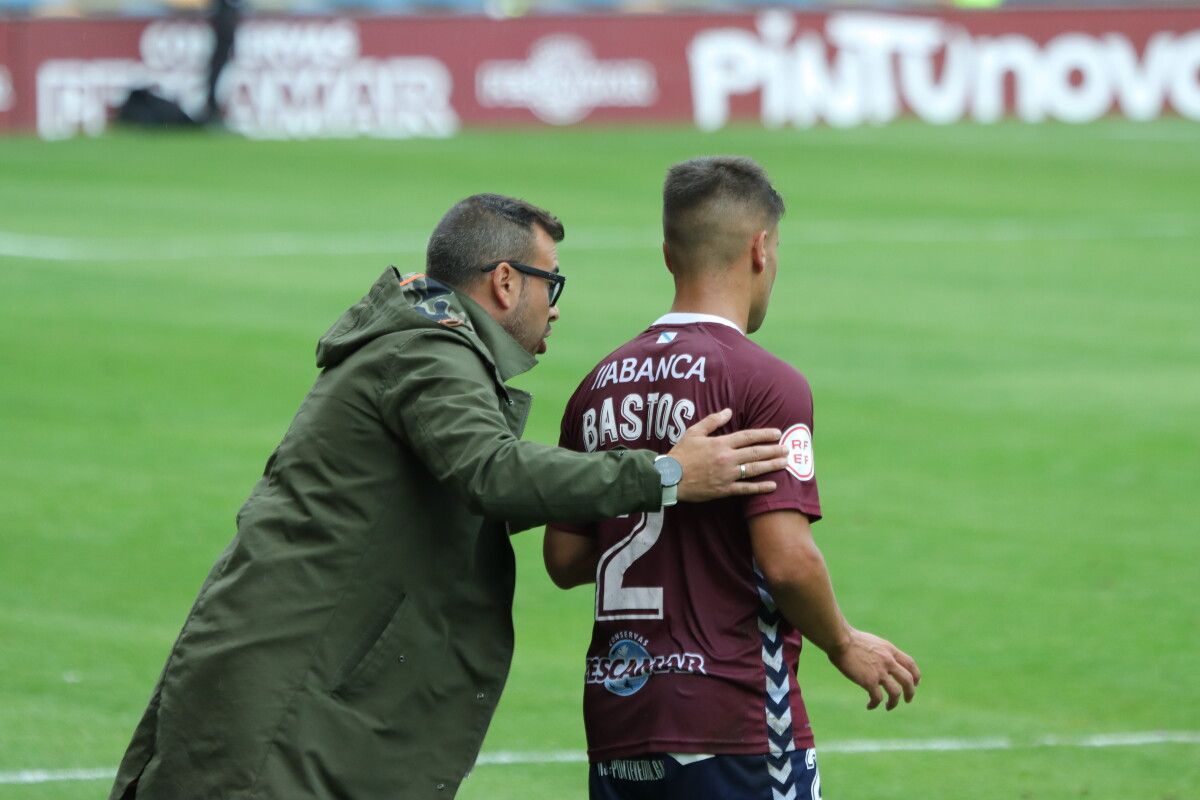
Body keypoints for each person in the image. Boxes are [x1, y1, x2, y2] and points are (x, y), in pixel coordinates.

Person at [108, 193, 793, 800]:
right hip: (292, 695)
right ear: (503, 282)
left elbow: (475, 490)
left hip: (293, 676)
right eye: (549, 283)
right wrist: (664, 474)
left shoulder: (422, 343)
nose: (556, 306)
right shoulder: (430, 353)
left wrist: (616, 491)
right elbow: (489, 473)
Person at [544, 158, 921, 799]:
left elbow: (564, 557)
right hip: (734, 714)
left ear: (669, 254)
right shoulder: (764, 383)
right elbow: (786, 561)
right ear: (761, 248)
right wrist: (842, 643)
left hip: (619, 713)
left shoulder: (595, 387)